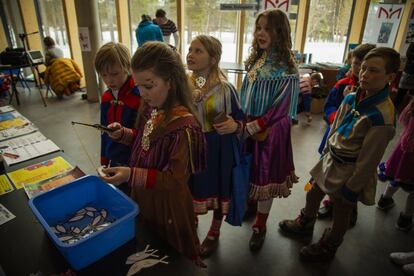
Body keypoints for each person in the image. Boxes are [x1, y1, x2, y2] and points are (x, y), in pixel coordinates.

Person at [279, 47, 400, 262]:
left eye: (373, 70)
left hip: (350, 169)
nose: (364, 74)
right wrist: (324, 157)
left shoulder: (382, 116)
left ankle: (330, 244)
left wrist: (352, 188)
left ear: (390, 77)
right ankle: (305, 223)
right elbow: (334, 130)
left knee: (341, 209)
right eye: (363, 68)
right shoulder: (351, 97)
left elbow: (369, 160)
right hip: (331, 160)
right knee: (313, 193)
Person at [99, 42, 207, 266]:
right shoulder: (152, 106)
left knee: (169, 260)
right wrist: (123, 134)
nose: (142, 93)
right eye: (138, 86)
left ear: (171, 81)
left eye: (149, 86)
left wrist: (130, 174)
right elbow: (144, 139)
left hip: (168, 207)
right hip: (145, 198)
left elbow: (175, 181)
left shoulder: (183, 126)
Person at [239, 9, 299, 251]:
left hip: (270, 130)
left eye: (268, 28)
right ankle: (252, 205)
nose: (261, 33)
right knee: (251, 170)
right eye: (259, 28)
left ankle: (260, 226)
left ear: (280, 32)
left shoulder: (287, 68)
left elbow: (281, 108)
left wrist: (253, 126)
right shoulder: (257, 59)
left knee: (265, 177)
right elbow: (246, 93)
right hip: (251, 125)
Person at [186, 35, 245, 257]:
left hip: (219, 147)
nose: (190, 54)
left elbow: (241, 119)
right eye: (190, 49)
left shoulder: (226, 89)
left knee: (220, 188)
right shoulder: (182, 85)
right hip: (191, 146)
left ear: (213, 58)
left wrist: (234, 125)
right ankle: (190, 222)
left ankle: (214, 232)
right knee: (190, 185)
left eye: (198, 51)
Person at [316, 44, 376, 220]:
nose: (356, 69)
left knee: (351, 177)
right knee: (328, 172)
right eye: (354, 64)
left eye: (360, 64)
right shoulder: (343, 85)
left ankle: (350, 207)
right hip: (335, 137)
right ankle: (331, 201)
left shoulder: (374, 94)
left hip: (355, 148)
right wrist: (337, 115)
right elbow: (329, 106)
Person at [94, 42, 141, 167]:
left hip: (135, 161)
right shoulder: (106, 97)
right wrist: (104, 160)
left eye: (114, 74)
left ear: (127, 67)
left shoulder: (140, 96)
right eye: (104, 75)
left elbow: (145, 134)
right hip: (113, 160)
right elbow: (104, 133)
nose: (109, 80)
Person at [377, 97, 414, 231]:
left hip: (404, 148)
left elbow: (403, 120)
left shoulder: (412, 104)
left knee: (396, 175)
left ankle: (385, 199)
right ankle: (406, 218)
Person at [393, 43, 414, 113]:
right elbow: (409, 54)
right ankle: (393, 109)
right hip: (409, 72)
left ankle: (406, 111)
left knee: (412, 96)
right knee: (401, 94)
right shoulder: (413, 44)